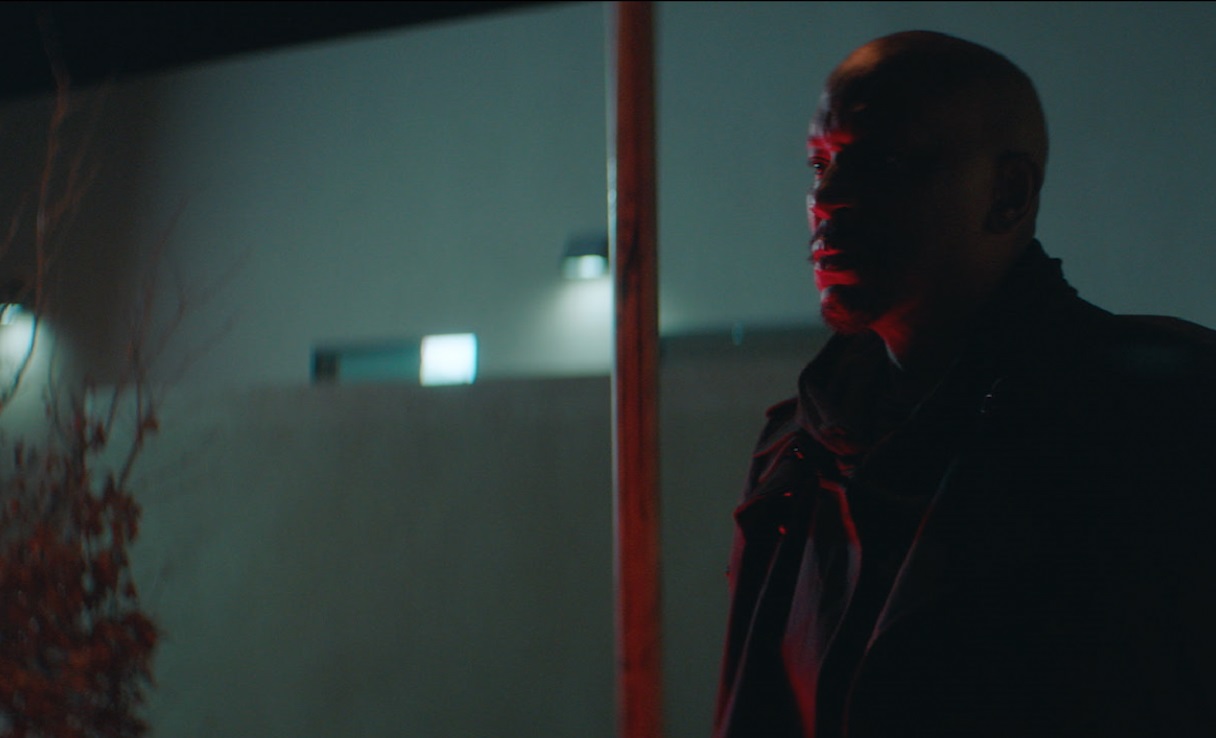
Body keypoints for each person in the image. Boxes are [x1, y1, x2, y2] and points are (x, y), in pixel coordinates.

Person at [714, 30, 1216, 738]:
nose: (828, 196)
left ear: (1007, 192)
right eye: (820, 163)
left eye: (885, 160)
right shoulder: (795, 450)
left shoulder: (1160, 414)